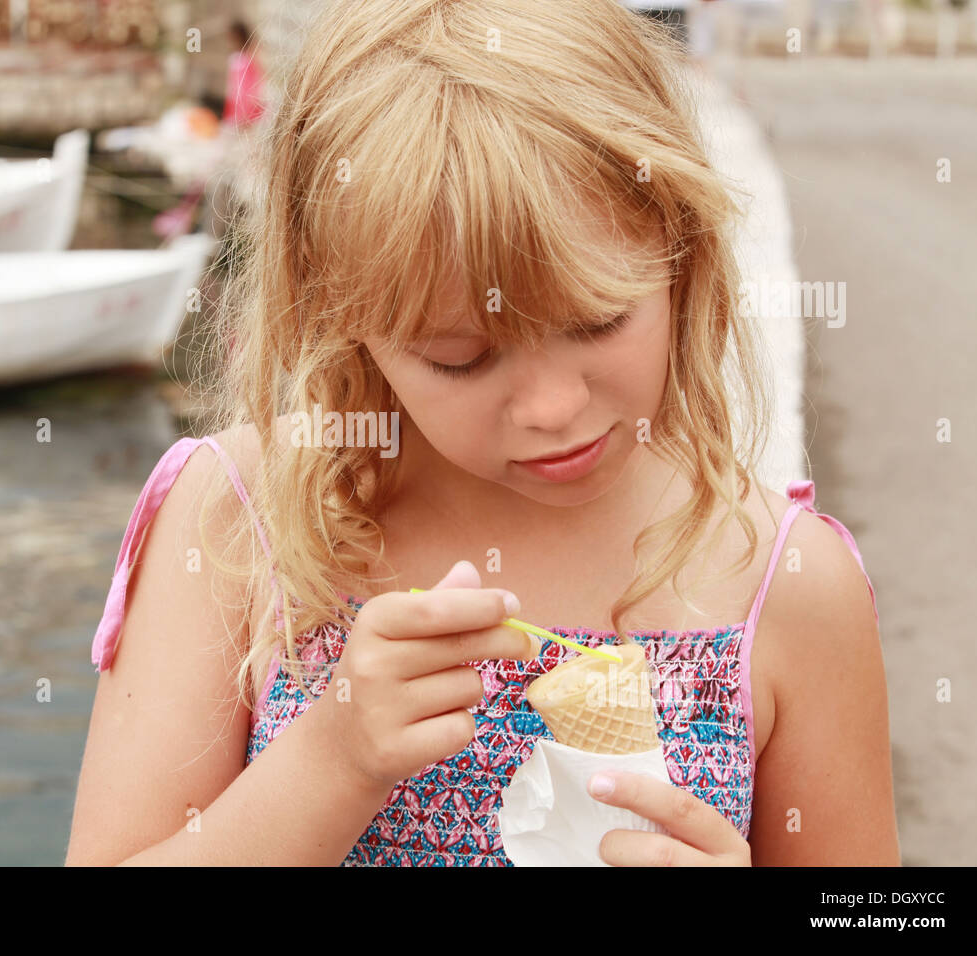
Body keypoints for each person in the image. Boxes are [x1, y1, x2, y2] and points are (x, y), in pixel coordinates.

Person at [67, 0, 897, 867]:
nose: (549, 408)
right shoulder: (240, 525)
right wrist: (332, 758)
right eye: (459, 358)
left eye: (598, 320)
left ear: (680, 253)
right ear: (342, 317)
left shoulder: (789, 584)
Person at [221, 19, 265, 130]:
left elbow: (256, 81)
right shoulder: (235, 55)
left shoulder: (250, 54)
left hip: (247, 105)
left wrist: (248, 108)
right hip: (235, 103)